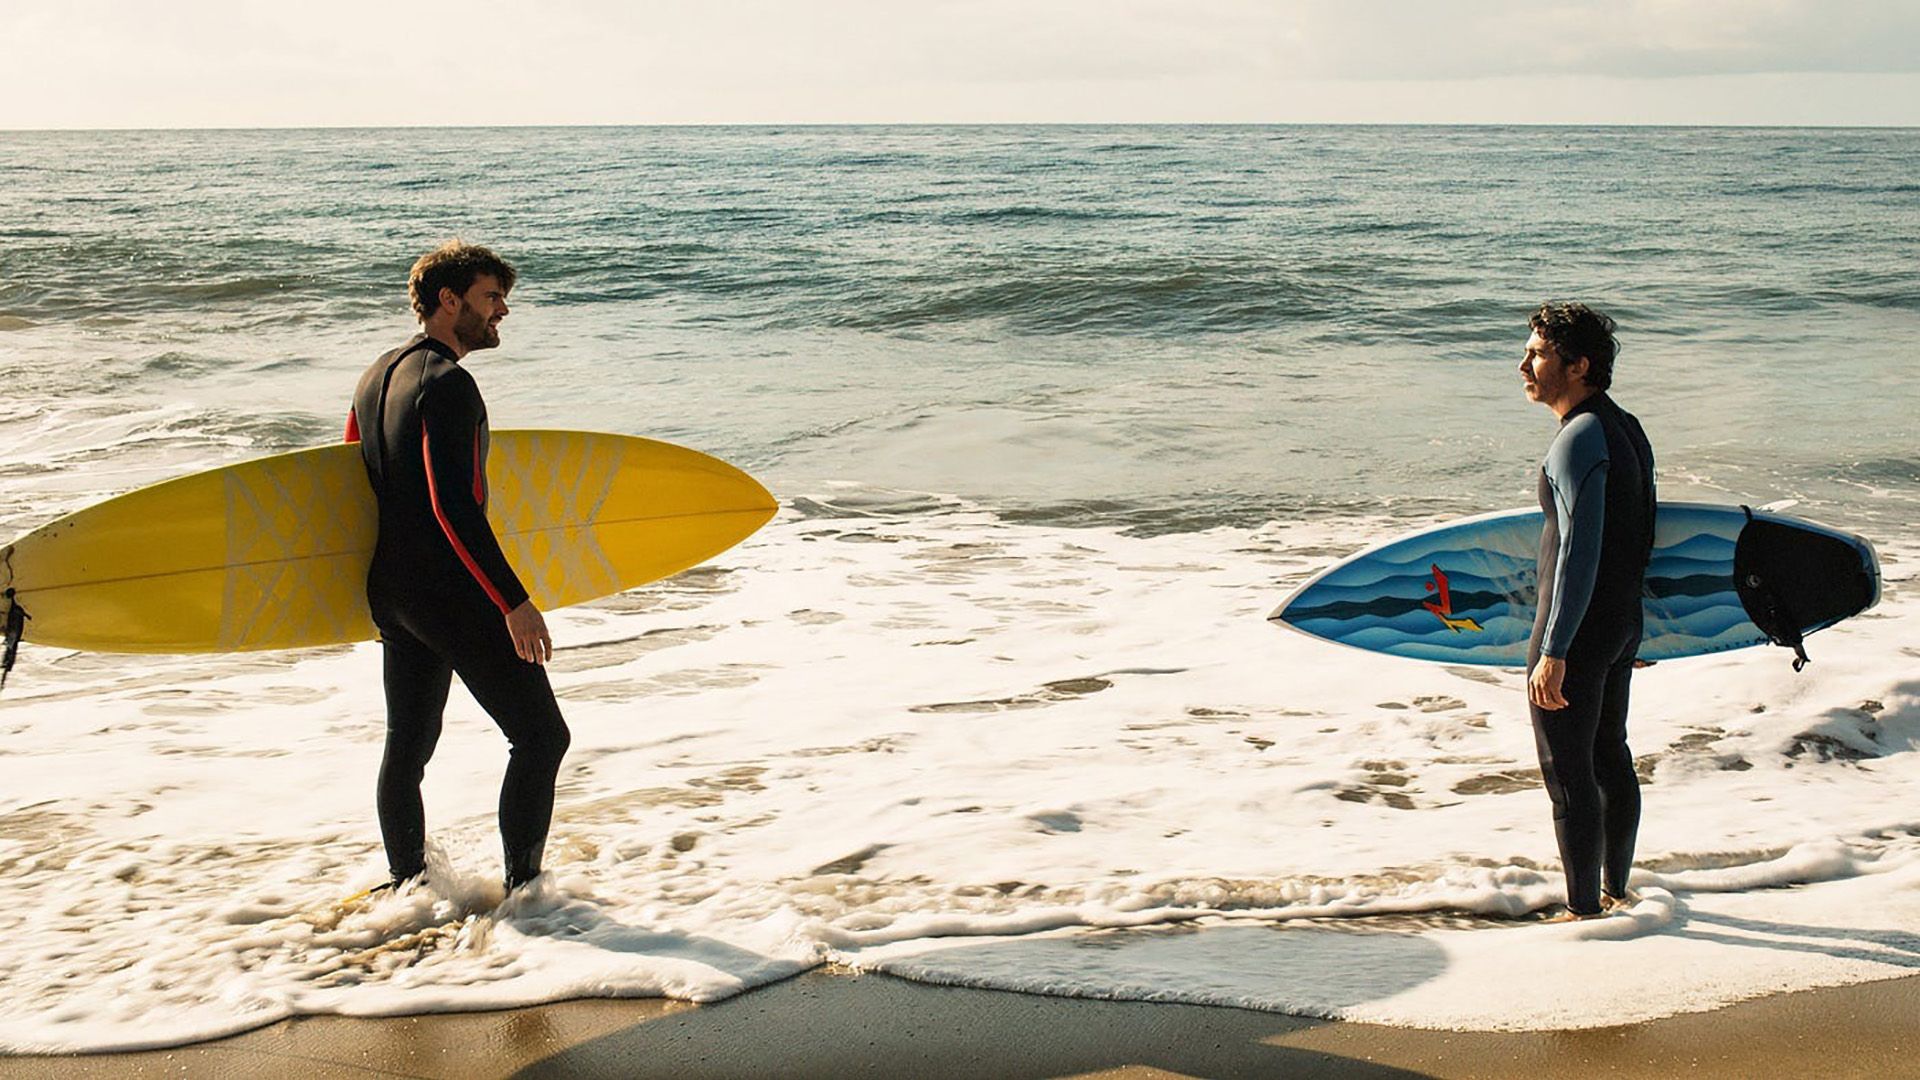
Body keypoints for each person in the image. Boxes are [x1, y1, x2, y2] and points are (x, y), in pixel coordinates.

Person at [344, 240, 569, 893]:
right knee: (541, 738)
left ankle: (406, 891)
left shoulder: (375, 376)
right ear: (449, 300)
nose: (502, 312)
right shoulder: (449, 385)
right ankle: (526, 893)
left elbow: (349, 474)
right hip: (448, 590)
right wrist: (514, 601)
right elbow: (455, 510)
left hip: (392, 591)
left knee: (407, 751)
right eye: (491, 298)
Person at [1518, 302, 1656, 921]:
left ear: (1578, 366)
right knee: (1610, 757)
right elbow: (1642, 535)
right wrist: (1630, 628)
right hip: (1619, 626)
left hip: (1576, 632)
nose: (1524, 364)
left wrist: (1555, 650)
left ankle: (1582, 912)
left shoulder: (1577, 438)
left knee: (1568, 774)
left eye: (1539, 353)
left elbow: (1578, 550)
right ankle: (1615, 890)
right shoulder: (1627, 427)